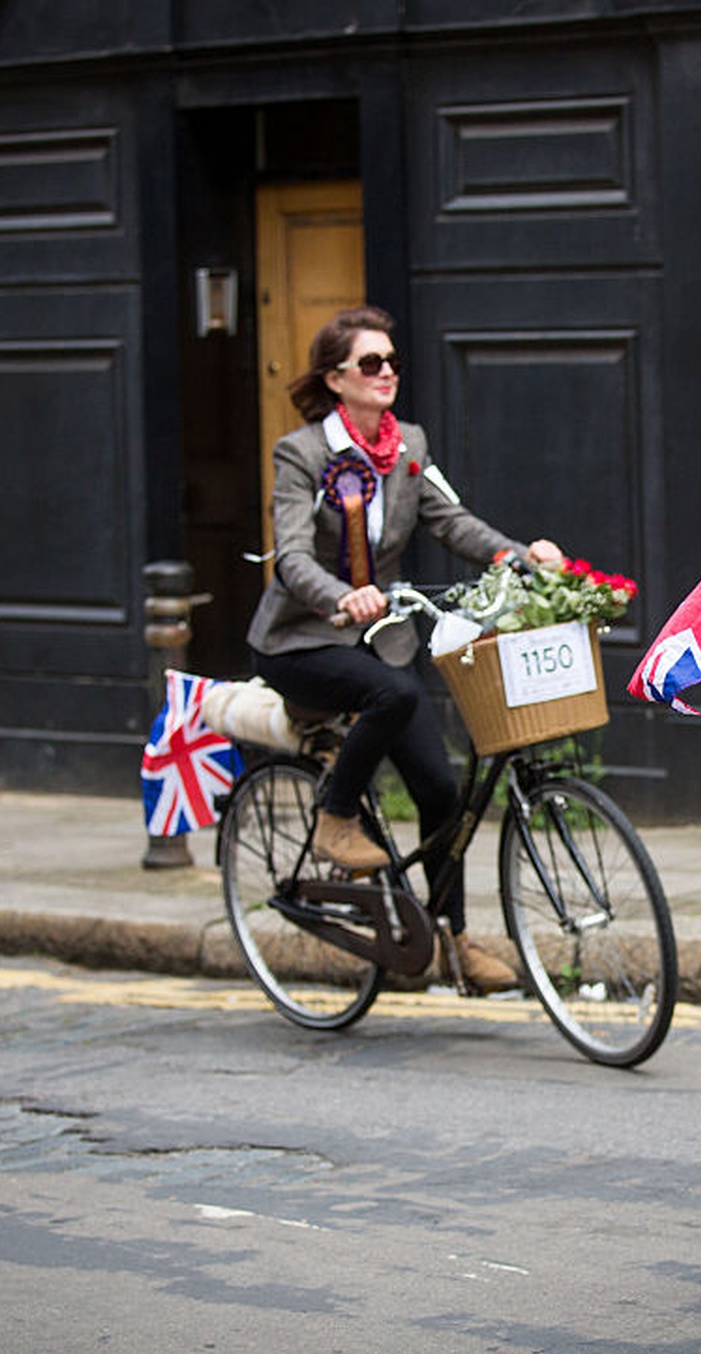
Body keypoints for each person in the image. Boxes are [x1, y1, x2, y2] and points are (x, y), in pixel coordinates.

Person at [245, 304, 561, 992]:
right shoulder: (301, 454)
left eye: (391, 361)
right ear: (336, 379)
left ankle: (457, 945)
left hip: (380, 639)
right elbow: (291, 557)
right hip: (301, 638)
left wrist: (517, 554)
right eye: (369, 363)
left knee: (441, 791)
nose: (386, 372)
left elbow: (451, 522)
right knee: (395, 693)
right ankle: (334, 818)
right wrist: (340, 594)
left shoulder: (407, 445)